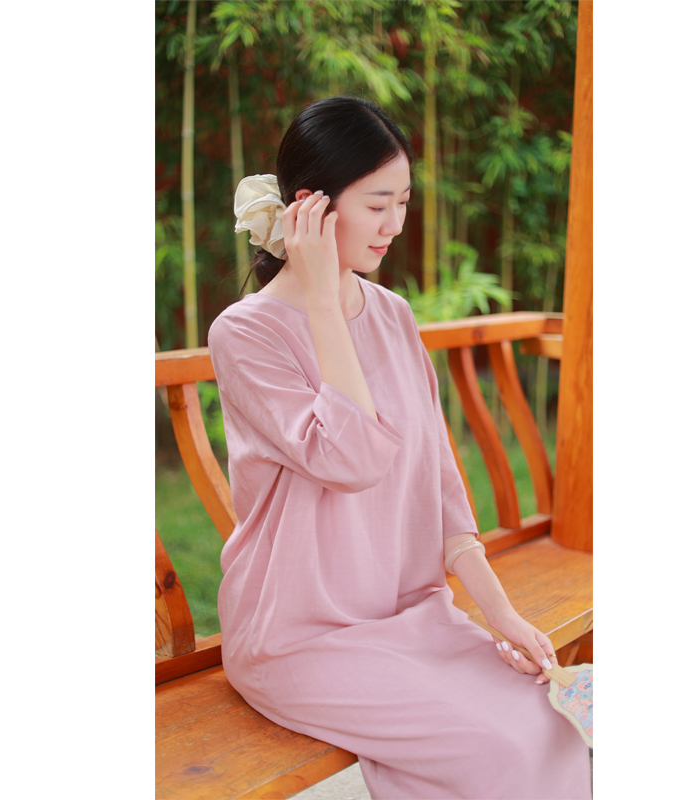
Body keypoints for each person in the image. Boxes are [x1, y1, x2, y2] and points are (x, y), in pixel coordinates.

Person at [207, 96, 591, 800]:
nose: (396, 224)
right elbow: (349, 461)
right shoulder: (246, 333)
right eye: (378, 205)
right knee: (498, 751)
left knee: (550, 723)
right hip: (297, 634)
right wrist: (324, 299)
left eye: (404, 202)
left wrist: (501, 613)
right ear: (311, 209)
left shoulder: (393, 314)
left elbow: (440, 483)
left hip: (409, 616)